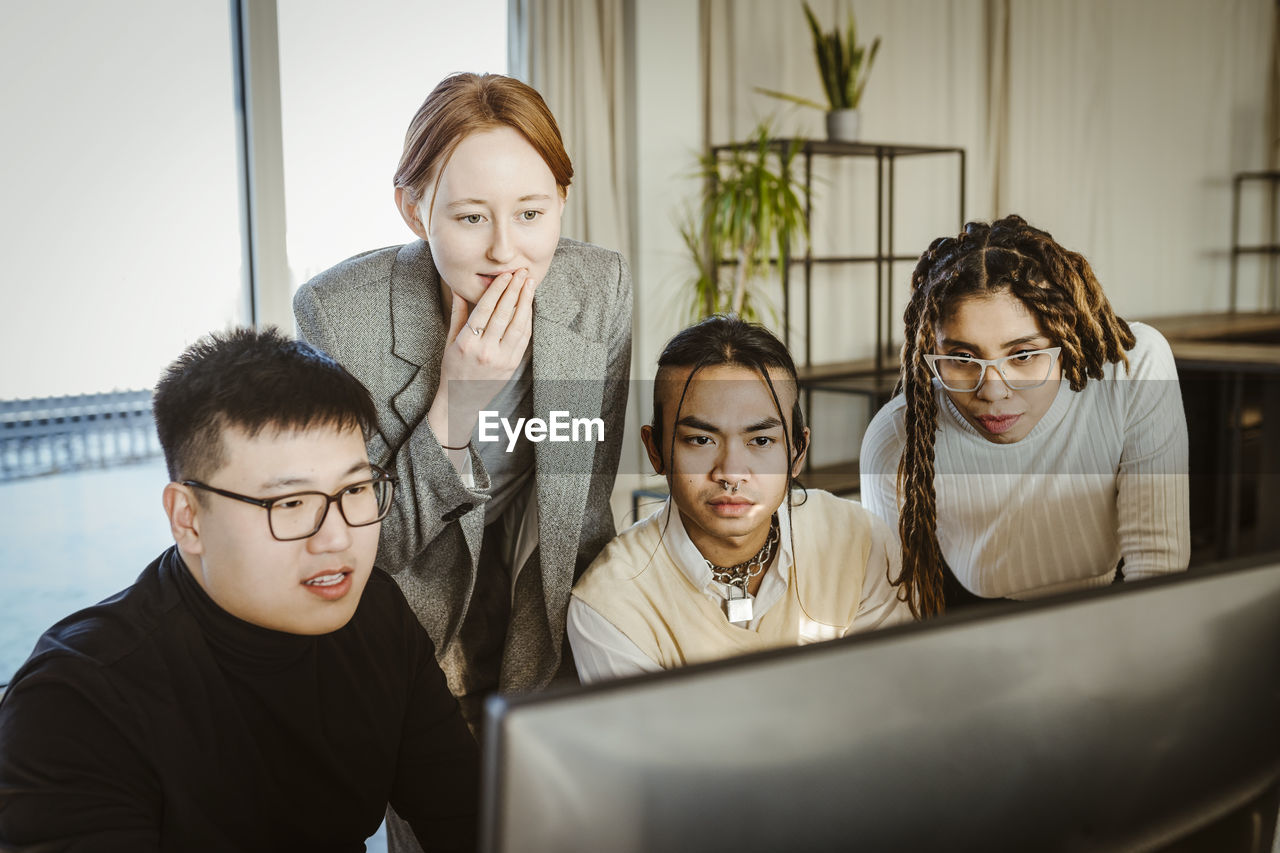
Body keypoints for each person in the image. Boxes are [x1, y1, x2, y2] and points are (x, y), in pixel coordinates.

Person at [0, 328, 478, 852]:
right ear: (188, 519)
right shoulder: (78, 698)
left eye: (356, 489)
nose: (339, 538)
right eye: (290, 503)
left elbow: (468, 818)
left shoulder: (377, 614)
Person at [293, 72, 631, 721]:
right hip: (411, 643)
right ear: (415, 209)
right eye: (472, 217)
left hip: (548, 621)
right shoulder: (336, 315)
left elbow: (585, 502)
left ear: (562, 198)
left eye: (531, 213)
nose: (506, 251)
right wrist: (457, 404)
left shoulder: (600, 288)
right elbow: (365, 545)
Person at [860, 214, 1190, 618]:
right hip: (971, 624)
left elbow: (1157, 571)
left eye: (1024, 355)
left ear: (1065, 341)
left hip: (1119, 613)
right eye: (962, 358)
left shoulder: (1133, 367)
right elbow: (892, 611)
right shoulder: (896, 438)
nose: (993, 390)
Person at [567, 315, 911, 682]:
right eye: (701, 440)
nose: (731, 472)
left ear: (797, 451)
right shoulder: (610, 603)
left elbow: (888, 697)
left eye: (760, 441)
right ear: (656, 450)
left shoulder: (860, 542)